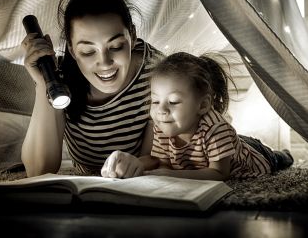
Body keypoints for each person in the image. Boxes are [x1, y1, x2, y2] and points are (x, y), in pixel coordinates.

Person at [21, 0, 164, 177]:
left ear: (132, 36)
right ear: (72, 50)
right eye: (88, 51)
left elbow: (159, 158)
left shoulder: (157, 73)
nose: (105, 63)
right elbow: (39, 170)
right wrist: (42, 84)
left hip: (135, 180)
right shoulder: (61, 80)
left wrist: (138, 165)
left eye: (116, 46)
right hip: (86, 183)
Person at [101, 52, 294, 180]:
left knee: (276, 159)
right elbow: (162, 162)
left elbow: (219, 173)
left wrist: (173, 175)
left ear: (202, 105)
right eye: (155, 101)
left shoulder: (216, 129)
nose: (161, 110)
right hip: (226, 146)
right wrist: (136, 165)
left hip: (252, 154)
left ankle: (283, 153)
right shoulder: (163, 124)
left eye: (174, 102)